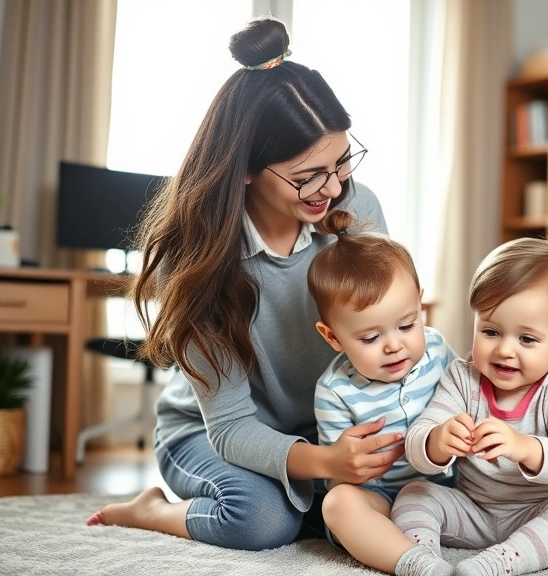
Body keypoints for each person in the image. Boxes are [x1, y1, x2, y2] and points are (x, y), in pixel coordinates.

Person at [85, 17, 407, 552]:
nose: (333, 188)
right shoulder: (198, 257)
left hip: (324, 424)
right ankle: (152, 512)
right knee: (262, 521)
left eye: (342, 162)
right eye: (308, 176)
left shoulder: (358, 206)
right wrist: (327, 462)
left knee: (413, 502)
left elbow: (388, 332)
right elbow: (231, 427)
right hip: (211, 434)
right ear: (245, 169)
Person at [391, 238, 548, 576]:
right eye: (491, 331)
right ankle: (424, 561)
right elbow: (416, 442)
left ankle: (504, 561)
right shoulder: (463, 378)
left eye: (527, 339)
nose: (505, 350)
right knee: (414, 493)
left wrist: (523, 447)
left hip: (544, 508)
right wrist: (436, 441)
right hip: (477, 511)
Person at [308, 209, 456, 574]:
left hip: (446, 491)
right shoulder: (335, 391)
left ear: (420, 306)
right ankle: (414, 563)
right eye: (371, 337)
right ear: (333, 337)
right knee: (338, 504)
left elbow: (469, 400)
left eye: (407, 325)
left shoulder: (437, 350)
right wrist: (350, 468)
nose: (394, 345)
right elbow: (341, 472)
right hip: (382, 500)